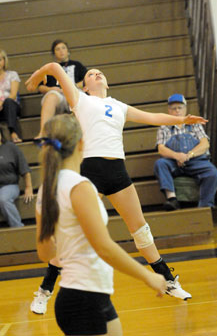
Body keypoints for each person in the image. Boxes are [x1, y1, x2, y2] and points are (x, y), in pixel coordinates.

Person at [26, 63, 207, 310]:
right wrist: (37, 76)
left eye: (100, 72)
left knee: (141, 230)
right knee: (72, 232)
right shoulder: (79, 100)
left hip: (117, 173)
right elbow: (55, 68)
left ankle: (167, 280)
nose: (96, 74)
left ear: (107, 83)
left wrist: (182, 119)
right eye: (90, 74)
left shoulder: (119, 106)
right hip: (90, 172)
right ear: (84, 86)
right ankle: (45, 290)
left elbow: (153, 118)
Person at [34, 113, 166, 336]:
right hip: (84, 298)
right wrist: (148, 276)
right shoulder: (80, 186)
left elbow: (44, 252)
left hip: (84, 294)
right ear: (82, 144)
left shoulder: (46, 189)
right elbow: (103, 247)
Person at [153, 93, 217, 211]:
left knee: (213, 174)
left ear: (185, 108)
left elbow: (205, 144)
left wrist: (189, 155)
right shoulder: (164, 127)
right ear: (169, 110)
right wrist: (177, 156)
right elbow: (161, 149)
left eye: (180, 107)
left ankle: (205, 206)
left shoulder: (194, 124)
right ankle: (172, 199)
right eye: (173, 108)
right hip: (173, 162)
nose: (177, 111)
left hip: (195, 161)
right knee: (160, 164)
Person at [35, 39, 87, 138]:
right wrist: (51, 89)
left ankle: (85, 131)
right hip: (58, 95)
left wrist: (73, 87)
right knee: (51, 97)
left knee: (81, 97)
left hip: (74, 92)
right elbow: (40, 87)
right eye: (57, 49)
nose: (61, 51)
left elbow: (86, 80)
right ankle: (43, 133)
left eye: (63, 48)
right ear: (54, 53)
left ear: (68, 51)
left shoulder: (77, 65)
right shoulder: (50, 68)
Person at [0, 127, 33, 227]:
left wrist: (29, 187)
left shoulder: (11, 147)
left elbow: (24, 169)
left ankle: (18, 227)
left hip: (9, 185)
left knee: (3, 199)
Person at [0, 48, 22, 143]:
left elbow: (13, 95)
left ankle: (13, 132)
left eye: (0, 59)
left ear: (4, 61)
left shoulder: (12, 75)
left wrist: (1, 102)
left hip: (11, 106)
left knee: (8, 102)